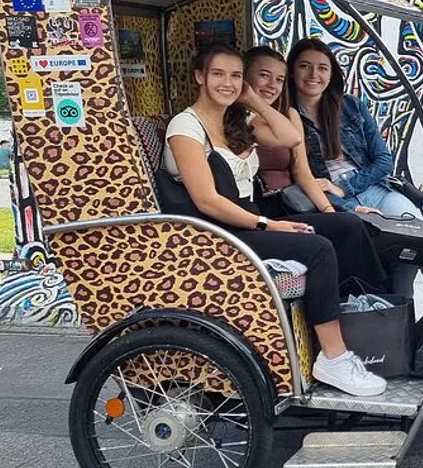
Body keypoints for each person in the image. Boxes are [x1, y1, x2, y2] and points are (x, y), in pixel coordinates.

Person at [161, 42, 386, 396]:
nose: (228, 83)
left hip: (246, 221)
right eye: (218, 74)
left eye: (236, 76)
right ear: (199, 77)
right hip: (217, 233)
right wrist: (269, 225)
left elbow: (289, 137)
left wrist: (251, 100)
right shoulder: (186, 127)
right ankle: (333, 357)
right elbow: (207, 200)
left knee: (346, 226)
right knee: (317, 249)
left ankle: (373, 319)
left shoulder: (234, 120)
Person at [286, 37, 423, 302]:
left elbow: (383, 160)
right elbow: (301, 179)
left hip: (376, 190)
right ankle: (402, 326)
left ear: (331, 74)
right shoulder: (287, 117)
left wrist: (345, 187)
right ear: (292, 71)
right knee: (400, 260)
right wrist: (346, 204)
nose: (313, 74)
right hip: (330, 202)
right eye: (304, 66)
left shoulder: (351, 106)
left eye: (322, 67)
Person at [241, 46, 376, 217]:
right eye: (264, 76)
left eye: (279, 79)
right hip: (260, 205)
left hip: (293, 200)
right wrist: (254, 101)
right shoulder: (233, 118)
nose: (272, 85)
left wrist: (330, 211)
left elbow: (302, 171)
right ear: (244, 76)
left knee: (349, 224)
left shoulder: (288, 114)